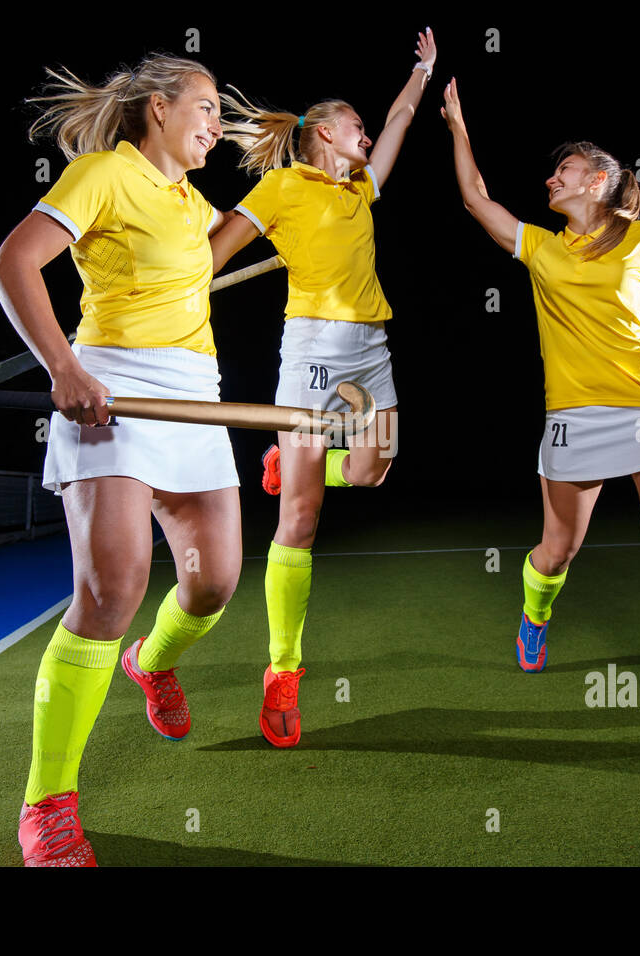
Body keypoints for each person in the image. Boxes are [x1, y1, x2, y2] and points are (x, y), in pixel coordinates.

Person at [441, 77, 640, 776]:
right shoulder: (543, 249)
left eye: (566, 169)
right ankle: (536, 612)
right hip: (576, 415)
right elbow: (475, 200)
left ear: (603, 179)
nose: (551, 178)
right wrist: (458, 125)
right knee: (557, 549)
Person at [0, 55, 242, 866]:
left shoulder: (188, 199)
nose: (217, 122)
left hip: (195, 395)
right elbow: (12, 263)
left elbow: (216, 250)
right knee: (114, 585)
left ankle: (151, 663)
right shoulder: (102, 173)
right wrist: (65, 368)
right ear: (158, 109)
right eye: (205, 107)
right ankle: (47, 805)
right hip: (113, 389)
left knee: (214, 582)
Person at [207, 28, 437, 748]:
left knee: (372, 469)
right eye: (356, 125)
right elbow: (216, 249)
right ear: (327, 134)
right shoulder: (281, 186)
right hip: (310, 356)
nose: (367, 131)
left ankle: (287, 461)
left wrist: (421, 75)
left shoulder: (360, 188)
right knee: (300, 519)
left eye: (365, 125)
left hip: (371, 353)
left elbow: (399, 122)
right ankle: (282, 674)